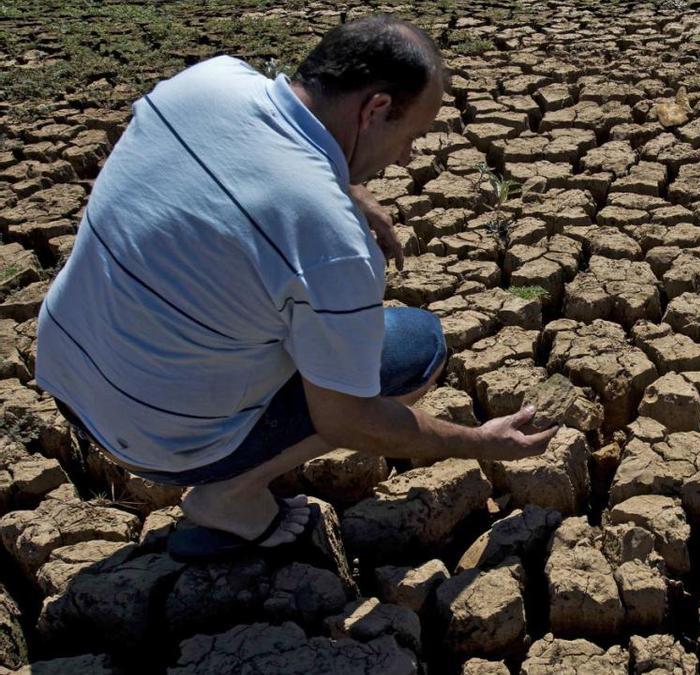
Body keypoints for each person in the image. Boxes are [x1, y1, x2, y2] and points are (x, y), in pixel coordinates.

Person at [34, 15, 557, 561]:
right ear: (375, 109)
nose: (406, 158)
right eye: (412, 136)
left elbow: (258, 158)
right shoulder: (330, 238)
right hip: (158, 441)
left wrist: (343, 185)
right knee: (414, 345)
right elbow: (348, 418)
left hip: (67, 374)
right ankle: (230, 496)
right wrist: (481, 443)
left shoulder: (205, 82)